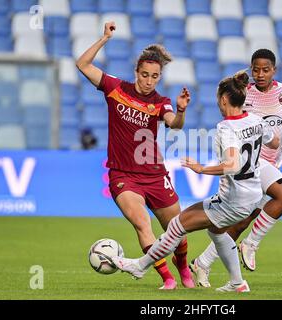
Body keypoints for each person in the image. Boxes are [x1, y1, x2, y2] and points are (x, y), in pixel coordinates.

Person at [110, 70, 280, 292]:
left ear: (224, 99)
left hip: (234, 200)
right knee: (217, 232)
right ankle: (238, 284)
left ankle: (140, 266)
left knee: (177, 226)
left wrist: (202, 169)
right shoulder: (256, 120)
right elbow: (275, 142)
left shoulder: (226, 127)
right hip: (252, 194)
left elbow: (232, 165)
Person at [76, 21, 194, 290]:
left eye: (154, 76)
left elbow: (174, 123)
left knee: (177, 230)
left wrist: (181, 110)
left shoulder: (160, 102)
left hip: (154, 173)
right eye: (144, 75)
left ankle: (183, 266)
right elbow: (82, 64)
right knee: (143, 224)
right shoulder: (115, 89)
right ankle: (167, 278)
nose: (149, 81)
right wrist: (104, 38)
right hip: (123, 176)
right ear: (136, 72)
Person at [190, 48, 282, 287]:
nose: (260, 74)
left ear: (274, 71)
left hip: (271, 164)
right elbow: (228, 115)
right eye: (255, 69)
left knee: (241, 223)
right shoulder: (243, 94)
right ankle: (251, 244)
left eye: (265, 70)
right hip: (254, 163)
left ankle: (202, 263)